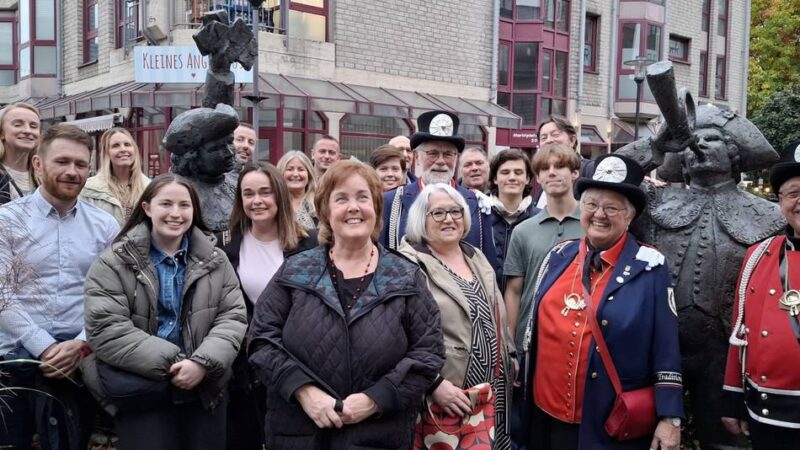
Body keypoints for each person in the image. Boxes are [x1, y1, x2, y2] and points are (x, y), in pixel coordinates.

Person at [615, 104, 783, 449]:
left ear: (734, 154)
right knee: (644, 436)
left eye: (712, 139)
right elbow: (610, 173)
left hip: (724, 353)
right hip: (657, 347)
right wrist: (659, 145)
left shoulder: (770, 216)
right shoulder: (655, 202)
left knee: (724, 439)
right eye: (694, 141)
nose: (700, 146)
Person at [247, 160, 444, 449]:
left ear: (376, 207)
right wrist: (303, 391)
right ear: (325, 211)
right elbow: (261, 340)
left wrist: (376, 399)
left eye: (362, 197)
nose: (353, 207)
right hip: (299, 433)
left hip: (378, 436)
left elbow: (428, 353)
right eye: (341, 198)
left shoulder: (405, 277)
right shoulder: (295, 271)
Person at [517, 154, 683, 450]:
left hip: (609, 421)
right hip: (547, 417)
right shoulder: (557, 257)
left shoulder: (651, 267)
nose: (599, 214)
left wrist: (670, 418)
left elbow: (666, 346)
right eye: (592, 204)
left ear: (630, 216)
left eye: (612, 207)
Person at [82, 173, 247, 450]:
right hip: (143, 390)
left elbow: (232, 317)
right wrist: (175, 363)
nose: (176, 213)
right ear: (147, 208)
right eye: (166, 204)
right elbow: (106, 327)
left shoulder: (216, 261)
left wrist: (202, 364)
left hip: (204, 390)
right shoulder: (113, 262)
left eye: (184, 205)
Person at [0, 124, 119, 450]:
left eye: (81, 164)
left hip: (80, 364)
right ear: (38, 164)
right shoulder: (6, 221)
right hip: (15, 364)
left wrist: (81, 345)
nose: (72, 171)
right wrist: (45, 348)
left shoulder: (105, 225)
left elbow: (113, 296)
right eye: (62, 161)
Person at [398, 183, 515, 450]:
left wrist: (509, 354)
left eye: (455, 211)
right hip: (445, 398)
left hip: (491, 395)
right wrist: (434, 384)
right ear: (420, 220)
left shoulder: (476, 256)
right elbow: (399, 338)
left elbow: (495, 310)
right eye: (438, 213)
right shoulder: (408, 265)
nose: (449, 219)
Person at [218, 162, 318, 450]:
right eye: (248, 194)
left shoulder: (308, 244)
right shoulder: (228, 247)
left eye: (265, 192)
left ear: (280, 196)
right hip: (249, 368)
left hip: (300, 364)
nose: (257, 201)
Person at [721, 141, 800, 449]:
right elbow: (740, 333)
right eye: (793, 193)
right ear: (780, 202)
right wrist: (732, 397)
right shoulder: (758, 255)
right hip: (768, 415)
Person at [380, 110, 497, 272]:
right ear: (417, 156)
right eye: (433, 153)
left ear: (456, 158)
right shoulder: (391, 202)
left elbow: (489, 267)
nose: (441, 161)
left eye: (448, 154)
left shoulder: (477, 204)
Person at [504, 143, 583, 351]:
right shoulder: (523, 231)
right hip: (533, 342)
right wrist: (511, 345)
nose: (552, 173)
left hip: (581, 336)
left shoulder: (594, 224)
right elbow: (513, 292)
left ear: (575, 172)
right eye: (545, 169)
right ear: (538, 178)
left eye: (559, 166)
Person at [165, 103, 239, 232]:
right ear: (192, 156)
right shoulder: (176, 192)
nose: (229, 153)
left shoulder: (238, 182)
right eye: (215, 148)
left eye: (230, 142)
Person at [487, 149, 539, 289]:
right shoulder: (480, 217)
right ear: (494, 178)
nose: (512, 177)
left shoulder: (540, 220)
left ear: (527, 178)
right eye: (505, 172)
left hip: (525, 305)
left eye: (518, 172)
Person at [81, 127, 151, 225]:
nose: (123, 149)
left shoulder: (150, 187)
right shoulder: (88, 189)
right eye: (115, 146)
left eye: (127, 144)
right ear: (106, 153)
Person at [533, 115, 593, 207]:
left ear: (572, 140)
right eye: (543, 138)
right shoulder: (544, 178)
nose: (549, 140)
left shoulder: (590, 170)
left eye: (555, 135)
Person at [0, 102, 40, 205]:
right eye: (18, 125)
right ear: (1, 133)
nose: (27, 130)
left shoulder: (45, 175)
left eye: (33, 126)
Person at [278, 150, 318, 230]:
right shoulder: (274, 202)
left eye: (301, 169)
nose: (295, 174)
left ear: (309, 174)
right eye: (290, 169)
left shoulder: (319, 203)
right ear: (281, 173)